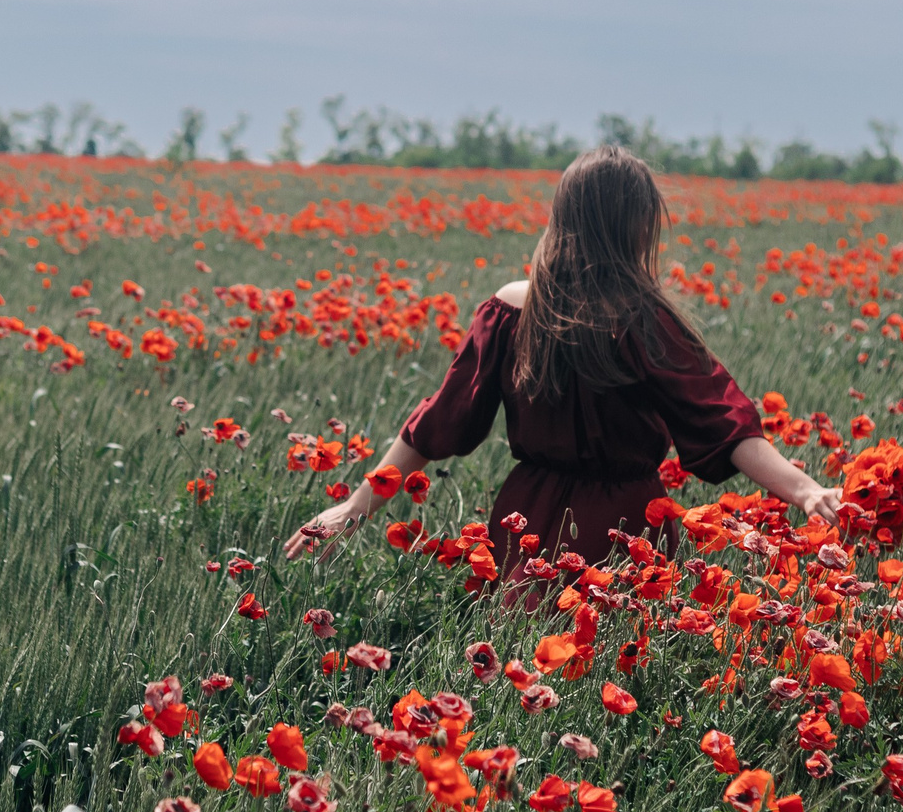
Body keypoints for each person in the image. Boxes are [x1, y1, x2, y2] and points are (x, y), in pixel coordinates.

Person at [282, 144, 839, 564]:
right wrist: (805, 489)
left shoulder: (509, 309)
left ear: (562, 217)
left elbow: (436, 426)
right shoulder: (644, 319)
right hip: (625, 526)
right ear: (638, 227)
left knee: (517, 677)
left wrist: (357, 507)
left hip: (525, 517)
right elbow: (727, 425)